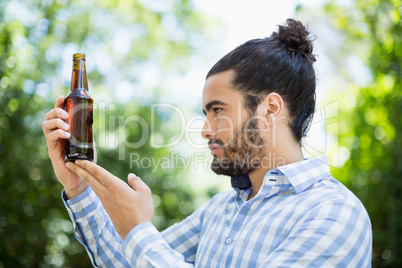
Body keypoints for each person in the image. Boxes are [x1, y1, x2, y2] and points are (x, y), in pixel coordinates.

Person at [42, 19, 372, 267]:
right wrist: (78, 184)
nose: (204, 131)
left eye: (218, 111)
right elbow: (127, 261)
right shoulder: (220, 211)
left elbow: (142, 247)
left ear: (269, 109)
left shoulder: (334, 214)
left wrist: (137, 229)